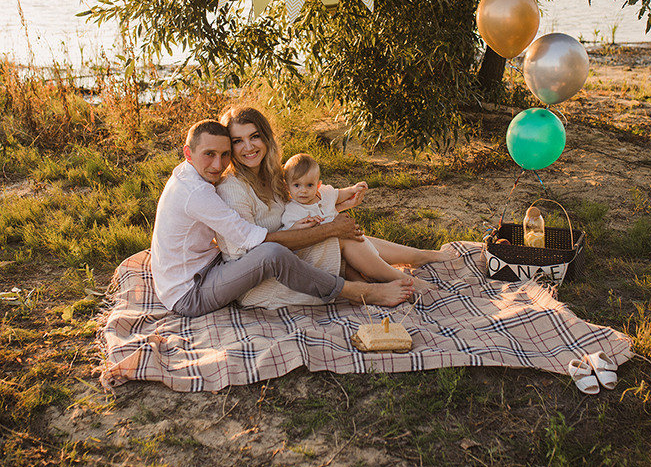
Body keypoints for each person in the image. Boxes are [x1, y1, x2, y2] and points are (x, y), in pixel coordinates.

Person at [150, 118, 415, 316]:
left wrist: (336, 203)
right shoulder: (197, 192)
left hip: (205, 267)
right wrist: (330, 229)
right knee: (271, 254)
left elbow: (295, 204)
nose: (218, 165)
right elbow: (252, 240)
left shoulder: (190, 173)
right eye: (209, 154)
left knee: (322, 241)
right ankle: (357, 291)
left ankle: (408, 262)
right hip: (189, 293)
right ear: (188, 153)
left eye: (224, 154)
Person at [217, 106, 445, 304]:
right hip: (262, 281)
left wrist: (339, 207)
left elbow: (297, 214)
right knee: (338, 236)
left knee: (346, 233)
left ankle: (420, 256)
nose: (248, 147)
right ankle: (405, 281)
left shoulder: (272, 176)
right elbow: (249, 253)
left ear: (266, 138)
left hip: (288, 257)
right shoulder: (232, 189)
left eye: (254, 136)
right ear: (229, 146)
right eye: (238, 141)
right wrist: (322, 229)